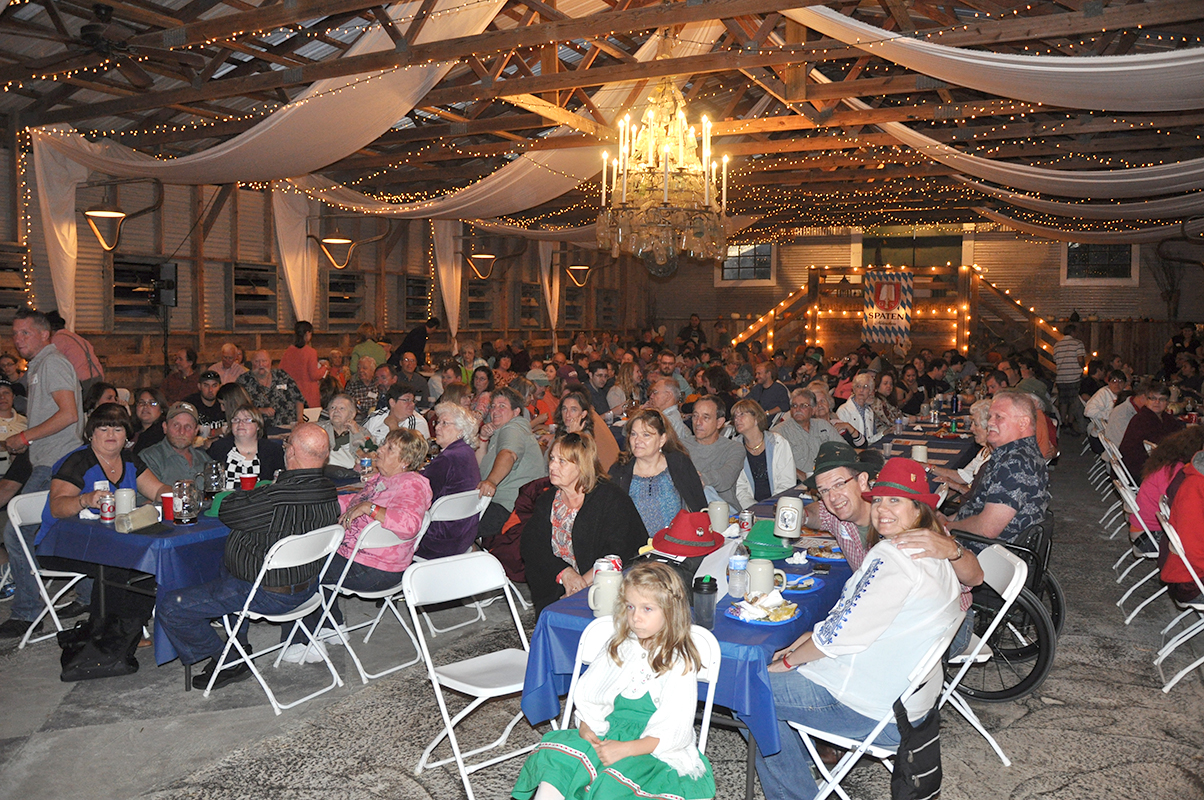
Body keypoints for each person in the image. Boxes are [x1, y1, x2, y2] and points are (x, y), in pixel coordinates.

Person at [750, 458, 963, 800]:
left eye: (896, 501)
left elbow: (838, 639)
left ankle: (795, 792)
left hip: (869, 707)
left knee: (750, 690)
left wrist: (787, 663)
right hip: (907, 704)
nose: (882, 509)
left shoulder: (895, 559)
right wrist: (808, 639)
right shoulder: (929, 550)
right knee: (774, 682)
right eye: (878, 500)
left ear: (919, 508)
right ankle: (803, 760)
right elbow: (861, 618)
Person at [155, 423, 341, 690]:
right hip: (307, 587)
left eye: (286, 445)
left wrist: (250, 494)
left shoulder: (276, 497)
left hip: (267, 593)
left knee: (172, 606)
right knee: (225, 565)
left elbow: (228, 511)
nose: (284, 449)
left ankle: (229, 658)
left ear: (293, 454)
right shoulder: (328, 491)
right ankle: (237, 640)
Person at [513, 561, 716, 800]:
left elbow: (674, 730)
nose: (636, 617)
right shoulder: (620, 645)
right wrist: (587, 724)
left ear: (671, 611)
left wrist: (625, 749)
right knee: (558, 763)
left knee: (610, 785)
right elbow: (591, 694)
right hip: (607, 732)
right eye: (630, 607)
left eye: (647, 609)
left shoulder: (678, 661)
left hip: (650, 749)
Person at [290, 428, 433, 663]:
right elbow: (353, 502)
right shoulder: (384, 480)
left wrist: (371, 509)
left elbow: (409, 524)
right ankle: (331, 626)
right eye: (384, 444)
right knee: (318, 556)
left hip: (377, 568)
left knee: (301, 566)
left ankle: (304, 643)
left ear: (405, 461)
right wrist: (316, 501)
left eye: (389, 448)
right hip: (360, 559)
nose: (380, 450)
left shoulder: (411, 485)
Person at [32, 404, 171, 643]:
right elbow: (57, 507)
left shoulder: (129, 460)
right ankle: (105, 633)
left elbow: (157, 489)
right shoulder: (78, 461)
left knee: (151, 559)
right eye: (103, 428)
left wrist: (176, 493)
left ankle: (131, 628)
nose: (110, 435)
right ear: (91, 433)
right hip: (59, 544)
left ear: (126, 435)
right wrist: (85, 499)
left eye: (117, 429)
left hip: (110, 542)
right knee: (116, 566)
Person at [520, 433, 648, 615]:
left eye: (562, 461)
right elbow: (532, 545)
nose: (552, 466)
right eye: (552, 459)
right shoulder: (547, 501)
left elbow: (618, 552)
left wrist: (580, 586)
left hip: (605, 585)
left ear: (581, 466)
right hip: (559, 585)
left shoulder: (610, 499)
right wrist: (565, 574)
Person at [947, 391, 1050, 544]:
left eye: (999, 417)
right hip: (980, 542)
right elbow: (978, 507)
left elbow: (987, 529)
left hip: (985, 552)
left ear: (1023, 423)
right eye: (990, 416)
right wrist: (946, 521)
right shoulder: (1012, 454)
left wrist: (947, 527)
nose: (989, 422)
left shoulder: (1016, 464)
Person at [611, 409, 706, 536]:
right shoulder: (619, 471)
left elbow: (699, 508)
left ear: (662, 440)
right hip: (636, 550)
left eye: (646, 435)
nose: (637, 441)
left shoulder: (678, 463)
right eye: (634, 434)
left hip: (676, 543)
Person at [476, 386, 548, 543]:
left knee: (456, 530)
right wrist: (483, 439)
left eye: (502, 406)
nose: (495, 410)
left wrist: (491, 482)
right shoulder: (502, 431)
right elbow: (479, 469)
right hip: (501, 504)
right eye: (493, 406)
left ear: (516, 412)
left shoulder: (513, 428)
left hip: (508, 508)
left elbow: (509, 455)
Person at [418, 402, 483, 560]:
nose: (437, 428)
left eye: (444, 423)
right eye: (437, 422)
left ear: (461, 430)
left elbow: (419, 492)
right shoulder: (465, 452)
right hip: (462, 536)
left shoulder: (449, 457)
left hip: (437, 540)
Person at [1129, 427, 1204, 556]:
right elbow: (1178, 506)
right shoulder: (1174, 471)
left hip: (1143, 529)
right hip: (1147, 536)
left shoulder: (1168, 463)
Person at [682, 395, 745, 511]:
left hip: (724, 512)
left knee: (705, 491)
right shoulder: (681, 446)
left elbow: (726, 477)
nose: (698, 422)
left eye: (706, 417)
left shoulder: (734, 448)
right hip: (689, 513)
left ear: (719, 422)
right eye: (695, 416)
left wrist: (699, 479)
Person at [732, 398, 795, 509]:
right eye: (735, 416)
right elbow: (740, 489)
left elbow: (786, 484)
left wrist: (771, 506)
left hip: (778, 505)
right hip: (749, 508)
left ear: (756, 418)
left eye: (742, 414)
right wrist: (756, 508)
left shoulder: (778, 443)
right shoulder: (734, 448)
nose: (737, 419)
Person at [207, 405, 286, 490]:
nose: (240, 424)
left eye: (247, 420)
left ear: (258, 425)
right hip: (227, 500)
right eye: (236, 420)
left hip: (261, 501)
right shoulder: (218, 448)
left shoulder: (273, 451)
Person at [138, 401, 214, 490]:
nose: (182, 432)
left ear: (196, 431)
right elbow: (145, 501)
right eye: (176, 425)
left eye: (188, 426)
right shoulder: (149, 458)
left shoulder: (205, 459)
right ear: (165, 427)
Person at [772, 388, 844, 478]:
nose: (798, 409)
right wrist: (802, 476)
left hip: (828, 476)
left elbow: (844, 448)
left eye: (803, 406)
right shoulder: (779, 432)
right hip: (797, 482)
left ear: (813, 410)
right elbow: (776, 463)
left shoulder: (823, 425)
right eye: (794, 406)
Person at [1119, 382, 1183, 479]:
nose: (1157, 402)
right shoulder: (1141, 419)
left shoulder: (1165, 417)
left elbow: (1179, 433)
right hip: (1139, 470)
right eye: (1153, 398)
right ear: (1146, 400)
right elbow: (1161, 444)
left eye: (1162, 399)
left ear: (1167, 402)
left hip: (1153, 463)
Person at [928, 398, 993, 495]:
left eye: (975, 424)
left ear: (989, 427)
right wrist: (928, 467)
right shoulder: (985, 450)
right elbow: (964, 476)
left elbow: (980, 497)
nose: (971, 428)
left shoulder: (994, 457)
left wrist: (957, 486)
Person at [551, 388, 619, 473]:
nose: (567, 414)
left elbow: (582, 468)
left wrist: (573, 436)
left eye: (573, 410)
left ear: (583, 414)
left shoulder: (585, 437)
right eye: (564, 409)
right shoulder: (563, 431)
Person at [237, 350, 305, 427]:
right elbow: (238, 407)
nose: (261, 365)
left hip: (288, 426)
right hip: (260, 429)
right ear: (252, 363)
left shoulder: (282, 376)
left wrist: (300, 420)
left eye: (264, 361)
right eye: (257, 361)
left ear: (270, 362)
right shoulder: (243, 381)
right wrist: (259, 410)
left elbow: (299, 398)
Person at [46, 310, 104, 391]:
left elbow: (51, 363)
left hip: (82, 382)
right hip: (98, 377)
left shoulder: (57, 340)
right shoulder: (77, 337)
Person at [278, 321, 326, 409]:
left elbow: (281, 372)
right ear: (308, 333)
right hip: (308, 394)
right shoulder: (311, 352)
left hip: (292, 394)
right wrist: (324, 368)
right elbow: (314, 375)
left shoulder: (288, 351)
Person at [365, 385, 430, 445]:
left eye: (413, 400)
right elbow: (360, 438)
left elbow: (408, 452)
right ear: (392, 402)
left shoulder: (418, 423)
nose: (412, 404)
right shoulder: (376, 416)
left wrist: (393, 426)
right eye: (407, 400)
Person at [317, 394, 369, 470]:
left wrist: (356, 434)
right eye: (332, 408)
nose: (336, 411)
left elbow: (370, 455)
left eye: (342, 408)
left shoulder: (362, 432)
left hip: (352, 475)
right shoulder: (319, 429)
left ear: (352, 414)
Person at [1052, 324, 1087, 433]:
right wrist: (1083, 366)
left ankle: (1063, 423)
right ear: (1073, 332)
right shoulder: (1078, 343)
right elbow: (1080, 359)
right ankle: (1071, 422)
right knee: (1073, 401)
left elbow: (1055, 360)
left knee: (1063, 401)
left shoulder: (1057, 345)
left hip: (1061, 377)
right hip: (1074, 376)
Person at [835, 370, 885, 446]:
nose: (861, 390)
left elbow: (868, 440)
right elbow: (841, 441)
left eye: (865, 387)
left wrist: (883, 434)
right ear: (854, 390)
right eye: (858, 386)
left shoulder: (869, 411)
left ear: (870, 391)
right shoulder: (843, 410)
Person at [1083, 370, 1127, 453]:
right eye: (1114, 381)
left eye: (1120, 381)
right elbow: (1088, 411)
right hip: (1103, 438)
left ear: (1125, 384)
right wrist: (1111, 415)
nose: (1117, 384)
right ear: (1109, 383)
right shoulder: (1103, 393)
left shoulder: (1126, 395)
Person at [0, 380, 27, 478]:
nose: (2, 397)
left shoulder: (27, 422)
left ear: (13, 396)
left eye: (6, 393)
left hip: (22, 477)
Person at [130, 387, 167, 455]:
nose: (145, 406)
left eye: (152, 403)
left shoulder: (162, 435)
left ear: (161, 408)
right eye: (141, 402)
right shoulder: (131, 430)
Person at [343, 355, 378, 421]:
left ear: (373, 370)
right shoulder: (352, 386)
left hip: (376, 419)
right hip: (357, 420)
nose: (360, 370)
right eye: (358, 368)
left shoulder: (378, 385)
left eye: (364, 368)